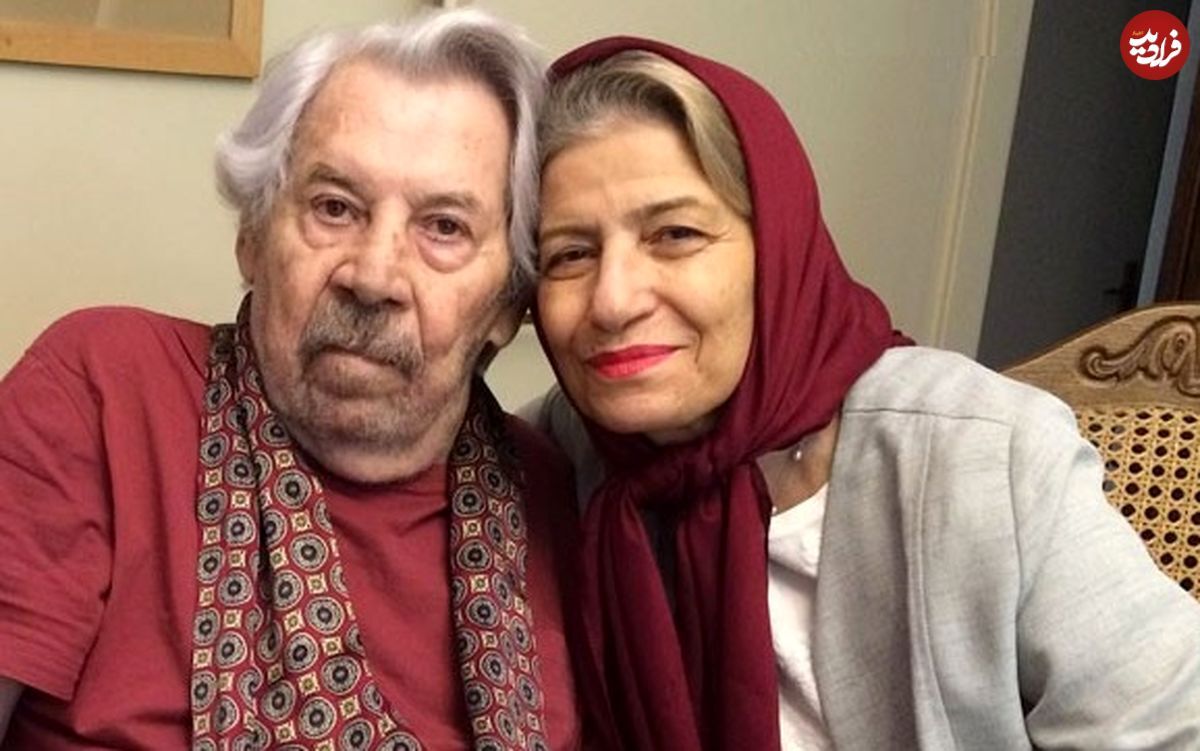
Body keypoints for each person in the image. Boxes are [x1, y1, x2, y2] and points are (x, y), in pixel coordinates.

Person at [525, 36, 1200, 749]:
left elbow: (1169, 728)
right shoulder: (553, 461)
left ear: (778, 247)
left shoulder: (987, 454)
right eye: (570, 253)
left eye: (675, 234)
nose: (614, 300)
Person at [0, 10, 582, 750]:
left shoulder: (556, 494)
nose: (374, 276)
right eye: (334, 207)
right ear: (252, 237)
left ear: (507, 304)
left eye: (444, 227)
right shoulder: (106, 390)